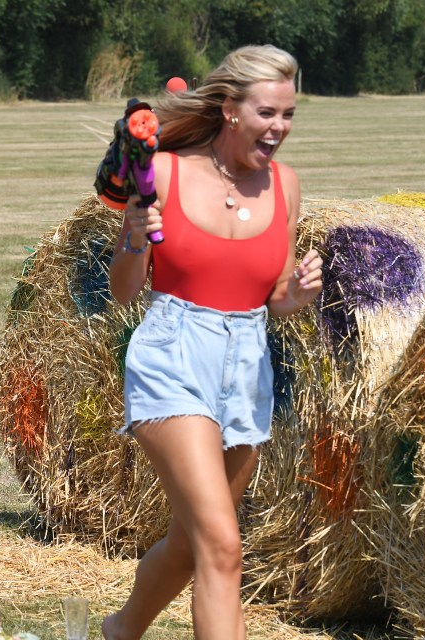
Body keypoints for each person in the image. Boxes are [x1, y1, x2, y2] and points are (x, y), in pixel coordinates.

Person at [103, 45, 323, 640]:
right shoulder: (166, 173)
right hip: (173, 356)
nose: (279, 128)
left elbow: (272, 294)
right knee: (224, 544)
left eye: (289, 115)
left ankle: (119, 631)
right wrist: (133, 234)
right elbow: (125, 293)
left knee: (191, 541)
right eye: (267, 113)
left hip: (246, 367)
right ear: (229, 109)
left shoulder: (286, 186)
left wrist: (296, 296)